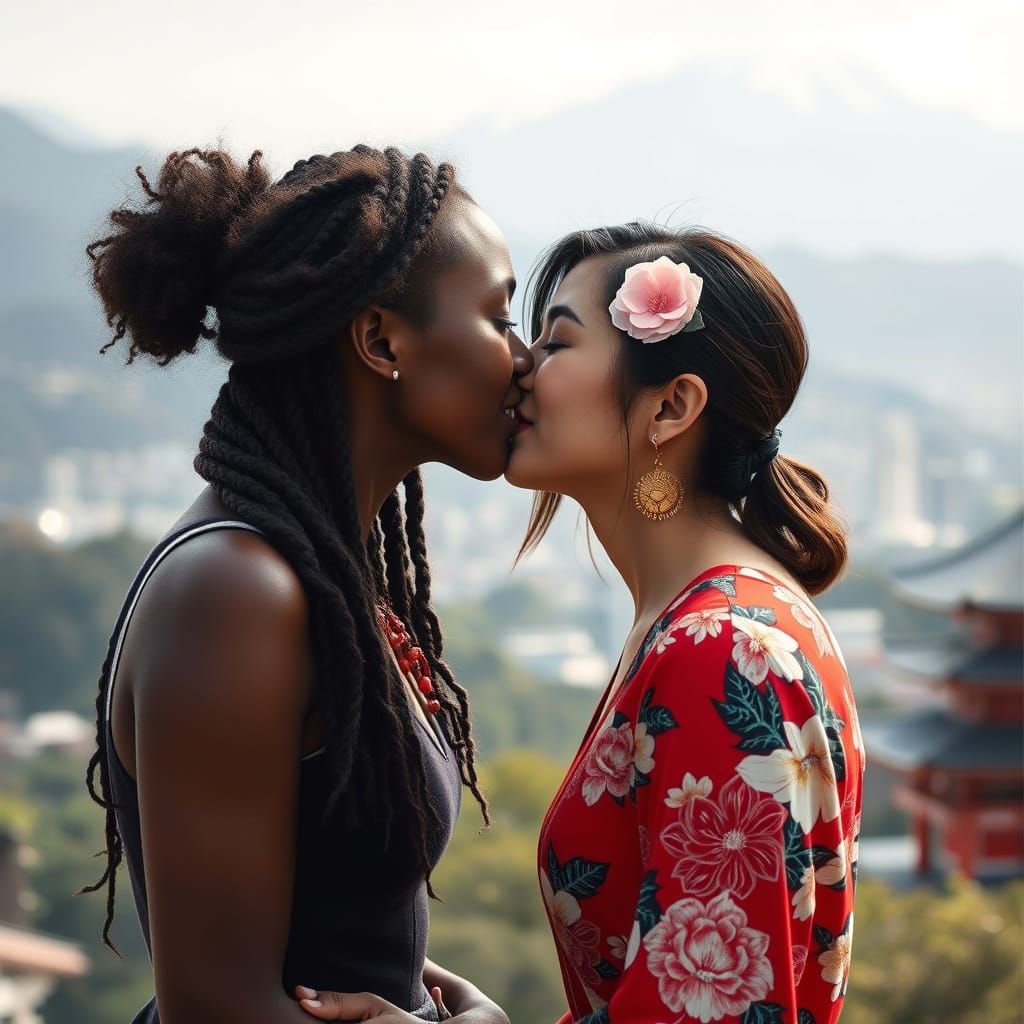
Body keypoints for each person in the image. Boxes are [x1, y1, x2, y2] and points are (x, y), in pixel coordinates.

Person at [294, 223, 863, 1023]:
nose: (520, 367)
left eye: (557, 343)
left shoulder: (723, 651)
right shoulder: (711, 621)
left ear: (671, 406)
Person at [80, 144, 531, 1024]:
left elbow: (323, 916)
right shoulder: (236, 594)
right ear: (380, 340)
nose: (521, 357)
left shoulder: (319, 570)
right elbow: (216, 1011)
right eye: (496, 316)